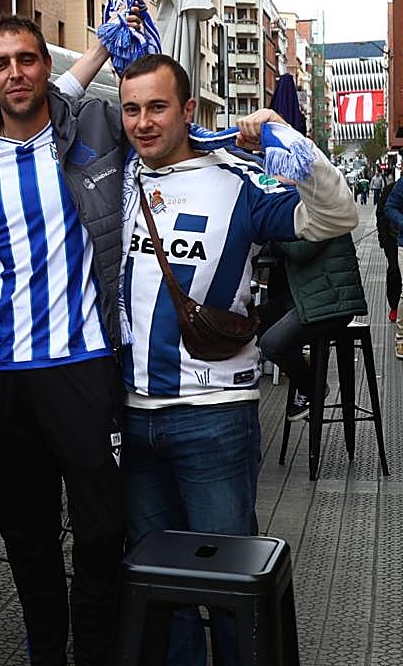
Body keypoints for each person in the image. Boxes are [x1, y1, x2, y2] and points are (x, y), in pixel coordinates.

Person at [116, 54, 357, 664]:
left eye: (158, 107)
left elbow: (337, 215)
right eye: (132, 109)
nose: (143, 122)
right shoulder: (117, 180)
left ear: (189, 110)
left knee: (227, 584)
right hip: (133, 417)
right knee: (161, 589)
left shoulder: (237, 183)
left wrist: (289, 140)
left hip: (214, 414)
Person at [0, 17, 127, 666]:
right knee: (28, 535)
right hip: (2, 372)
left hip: (83, 363)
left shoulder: (95, 129)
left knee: (103, 531)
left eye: (26, 59)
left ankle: (95, 651)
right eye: (0, 64)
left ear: (47, 66)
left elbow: (157, 111)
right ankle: (47, 652)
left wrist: (119, 42)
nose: (14, 72)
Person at [259, 234, 368, 422]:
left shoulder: (325, 207)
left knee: (272, 344)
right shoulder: (306, 208)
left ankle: (311, 388)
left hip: (332, 301)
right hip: (306, 297)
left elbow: (300, 249)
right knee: (249, 321)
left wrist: (269, 229)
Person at [376, 173, 401, 324]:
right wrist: (384, 239)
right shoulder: (390, 189)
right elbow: (381, 213)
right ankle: (394, 305)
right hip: (392, 239)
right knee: (394, 270)